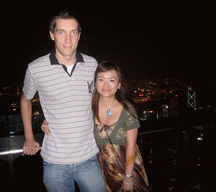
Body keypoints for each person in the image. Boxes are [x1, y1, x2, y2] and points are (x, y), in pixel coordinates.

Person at [21, 10, 106, 192]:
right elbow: (25, 99)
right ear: (52, 35)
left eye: (73, 32)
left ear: (79, 36)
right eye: (61, 32)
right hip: (54, 161)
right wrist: (29, 136)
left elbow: (99, 99)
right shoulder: (35, 68)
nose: (68, 39)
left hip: (88, 157)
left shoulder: (92, 64)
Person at [42, 61, 149, 191]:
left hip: (126, 168)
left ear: (119, 84)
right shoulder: (89, 107)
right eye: (101, 79)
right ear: (95, 83)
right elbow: (67, 114)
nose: (106, 84)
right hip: (100, 171)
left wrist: (128, 177)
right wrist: (47, 121)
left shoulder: (127, 109)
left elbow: (131, 147)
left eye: (112, 80)